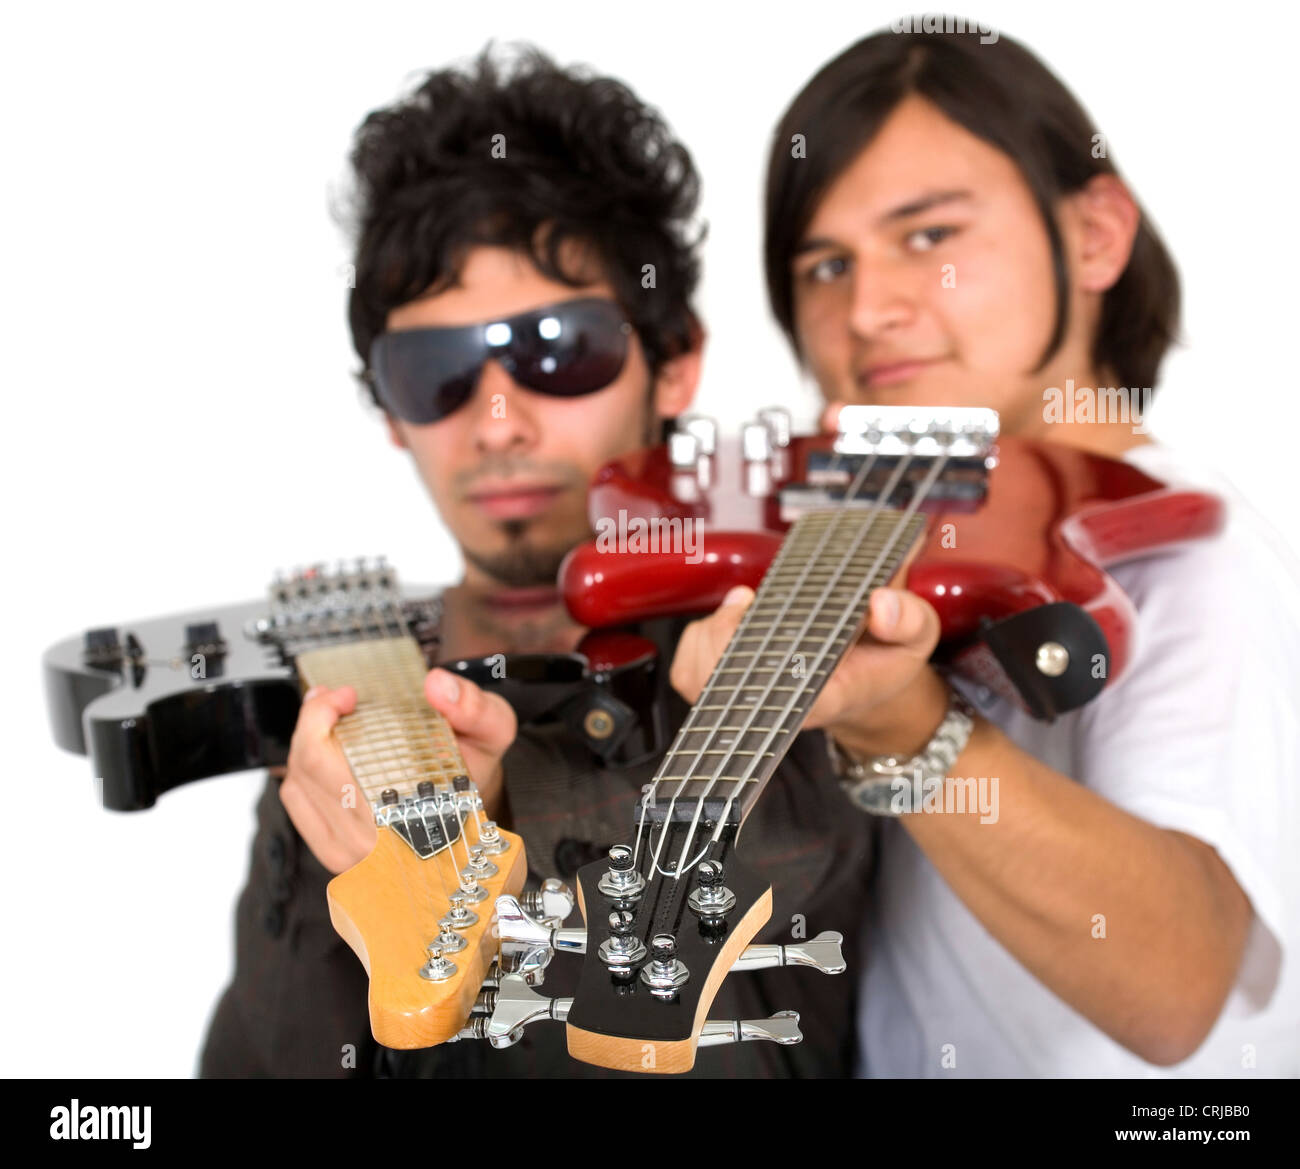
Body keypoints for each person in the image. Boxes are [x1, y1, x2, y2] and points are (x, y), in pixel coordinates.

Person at [199, 46, 878, 1079]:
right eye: (435, 371)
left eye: (559, 347)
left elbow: (793, 864)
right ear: (390, 411)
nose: (498, 422)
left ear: (674, 360)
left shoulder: (762, 638)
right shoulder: (340, 709)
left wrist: (502, 818)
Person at [669, 24, 1299, 1076]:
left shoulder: (1188, 556)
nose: (866, 310)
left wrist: (898, 723)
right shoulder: (891, 555)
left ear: (1095, 235)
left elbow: (1176, 987)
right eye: (825, 264)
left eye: (929, 236)